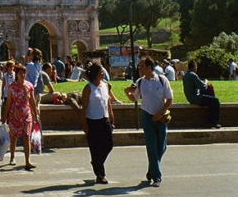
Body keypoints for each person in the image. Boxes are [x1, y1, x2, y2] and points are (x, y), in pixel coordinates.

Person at [124, 56, 173, 188]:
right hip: (146, 116)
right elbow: (134, 98)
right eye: (139, 67)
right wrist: (127, 92)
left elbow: (169, 99)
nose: (139, 69)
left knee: (162, 146)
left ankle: (151, 170)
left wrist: (161, 112)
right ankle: (157, 176)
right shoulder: (140, 82)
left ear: (149, 67)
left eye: (142, 66)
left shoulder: (162, 80)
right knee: (151, 146)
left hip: (160, 116)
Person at [81, 62, 114, 184]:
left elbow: (108, 102)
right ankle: (100, 174)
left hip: (104, 119)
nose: (103, 73)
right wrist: (84, 123)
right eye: (101, 71)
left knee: (109, 144)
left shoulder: (105, 85)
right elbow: (84, 107)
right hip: (92, 120)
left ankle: (97, 162)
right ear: (95, 74)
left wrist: (111, 116)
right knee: (95, 148)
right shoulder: (88, 88)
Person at [1, 64, 39, 170]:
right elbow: (8, 102)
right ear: (16, 74)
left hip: (26, 115)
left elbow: (32, 102)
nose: (22, 74)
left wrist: (36, 115)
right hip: (14, 114)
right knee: (14, 136)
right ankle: (12, 157)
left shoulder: (29, 85)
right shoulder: (12, 86)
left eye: (23, 72)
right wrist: (4, 116)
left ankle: (28, 161)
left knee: (27, 136)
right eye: (20, 73)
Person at [183, 60, 221, 129]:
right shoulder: (193, 75)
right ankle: (215, 122)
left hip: (190, 97)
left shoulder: (186, 75)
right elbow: (203, 87)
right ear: (195, 67)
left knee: (210, 101)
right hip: (195, 98)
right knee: (215, 101)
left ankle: (210, 122)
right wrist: (206, 82)